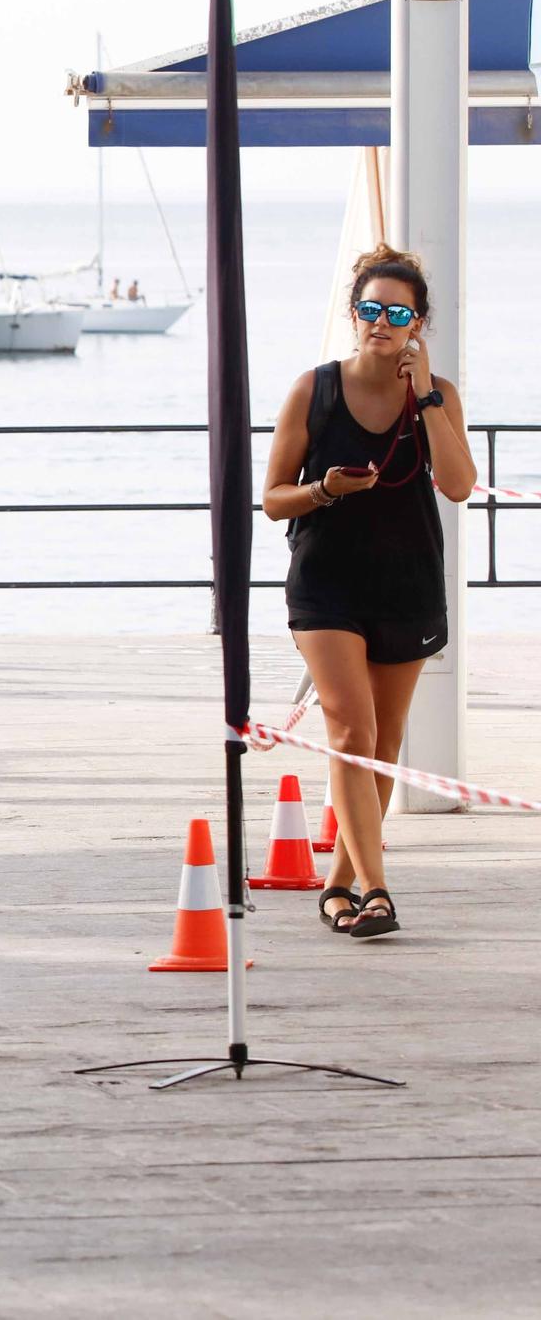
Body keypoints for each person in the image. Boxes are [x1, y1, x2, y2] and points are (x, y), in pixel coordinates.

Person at [260, 244, 475, 941]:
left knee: (380, 742)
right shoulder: (313, 389)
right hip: (326, 586)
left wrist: (430, 399)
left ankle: (338, 884)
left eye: (397, 313)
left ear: (418, 323)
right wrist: (324, 488)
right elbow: (272, 499)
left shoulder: (435, 393)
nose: (381, 323)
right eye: (370, 310)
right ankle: (378, 888)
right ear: (352, 315)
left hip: (407, 584)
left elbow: (460, 483)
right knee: (350, 730)